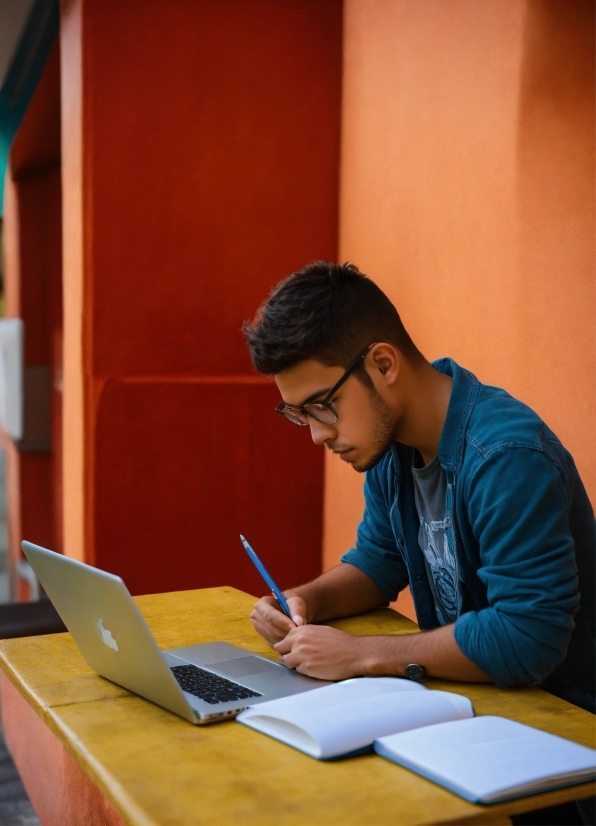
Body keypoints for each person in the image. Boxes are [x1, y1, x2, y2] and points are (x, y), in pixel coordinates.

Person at [242, 261, 595, 718]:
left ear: (383, 364)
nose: (316, 434)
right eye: (298, 414)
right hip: (472, 709)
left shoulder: (506, 456)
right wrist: (306, 601)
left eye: (323, 406)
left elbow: (526, 637)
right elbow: (378, 563)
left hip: (564, 729)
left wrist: (358, 655)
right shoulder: (393, 445)